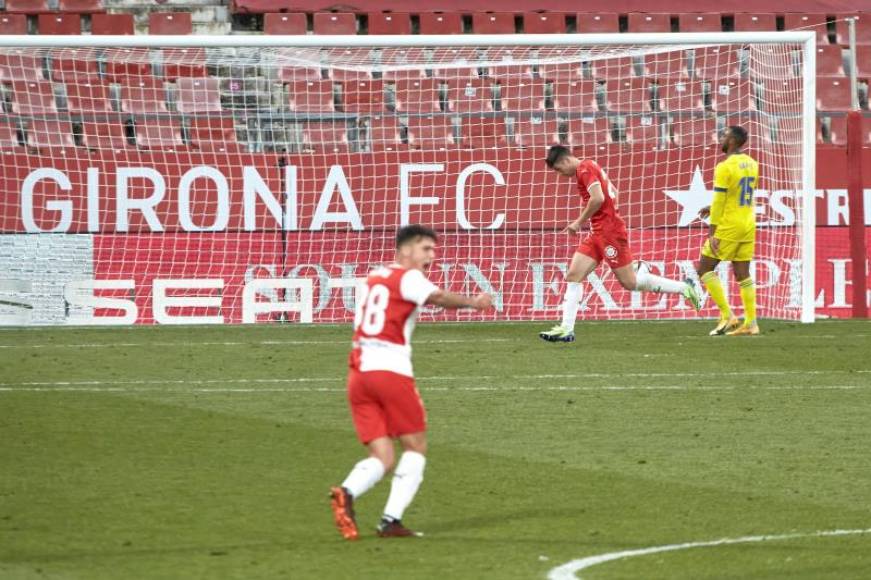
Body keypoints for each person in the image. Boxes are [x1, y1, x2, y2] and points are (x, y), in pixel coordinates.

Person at [330, 225, 493, 540]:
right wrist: (474, 302)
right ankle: (391, 520)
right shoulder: (409, 277)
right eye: (425, 249)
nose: (431, 256)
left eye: (433, 249)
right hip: (390, 370)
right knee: (415, 446)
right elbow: (437, 296)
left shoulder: (373, 278)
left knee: (383, 457)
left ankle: (346, 491)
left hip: (358, 374)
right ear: (405, 250)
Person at [539, 145, 701, 343]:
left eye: (557, 169)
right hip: (598, 232)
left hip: (610, 234)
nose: (559, 174)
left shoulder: (584, 169)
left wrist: (578, 222)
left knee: (630, 283)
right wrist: (608, 214)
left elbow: (598, 198)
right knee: (574, 274)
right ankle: (566, 328)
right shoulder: (590, 165)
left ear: (564, 160)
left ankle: (684, 287)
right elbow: (613, 191)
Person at [696, 125, 760, 336]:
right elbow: (737, 195)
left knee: (704, 268)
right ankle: (751, 322)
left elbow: (721, 198)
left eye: (724, 136)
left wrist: (712, 232)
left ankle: (727, 316)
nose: (721, 139)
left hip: (729, 226)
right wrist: (711, 208)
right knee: (742, 273)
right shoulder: (752, 163)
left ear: (732, 141)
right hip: (748, 224)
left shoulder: (725, 167)